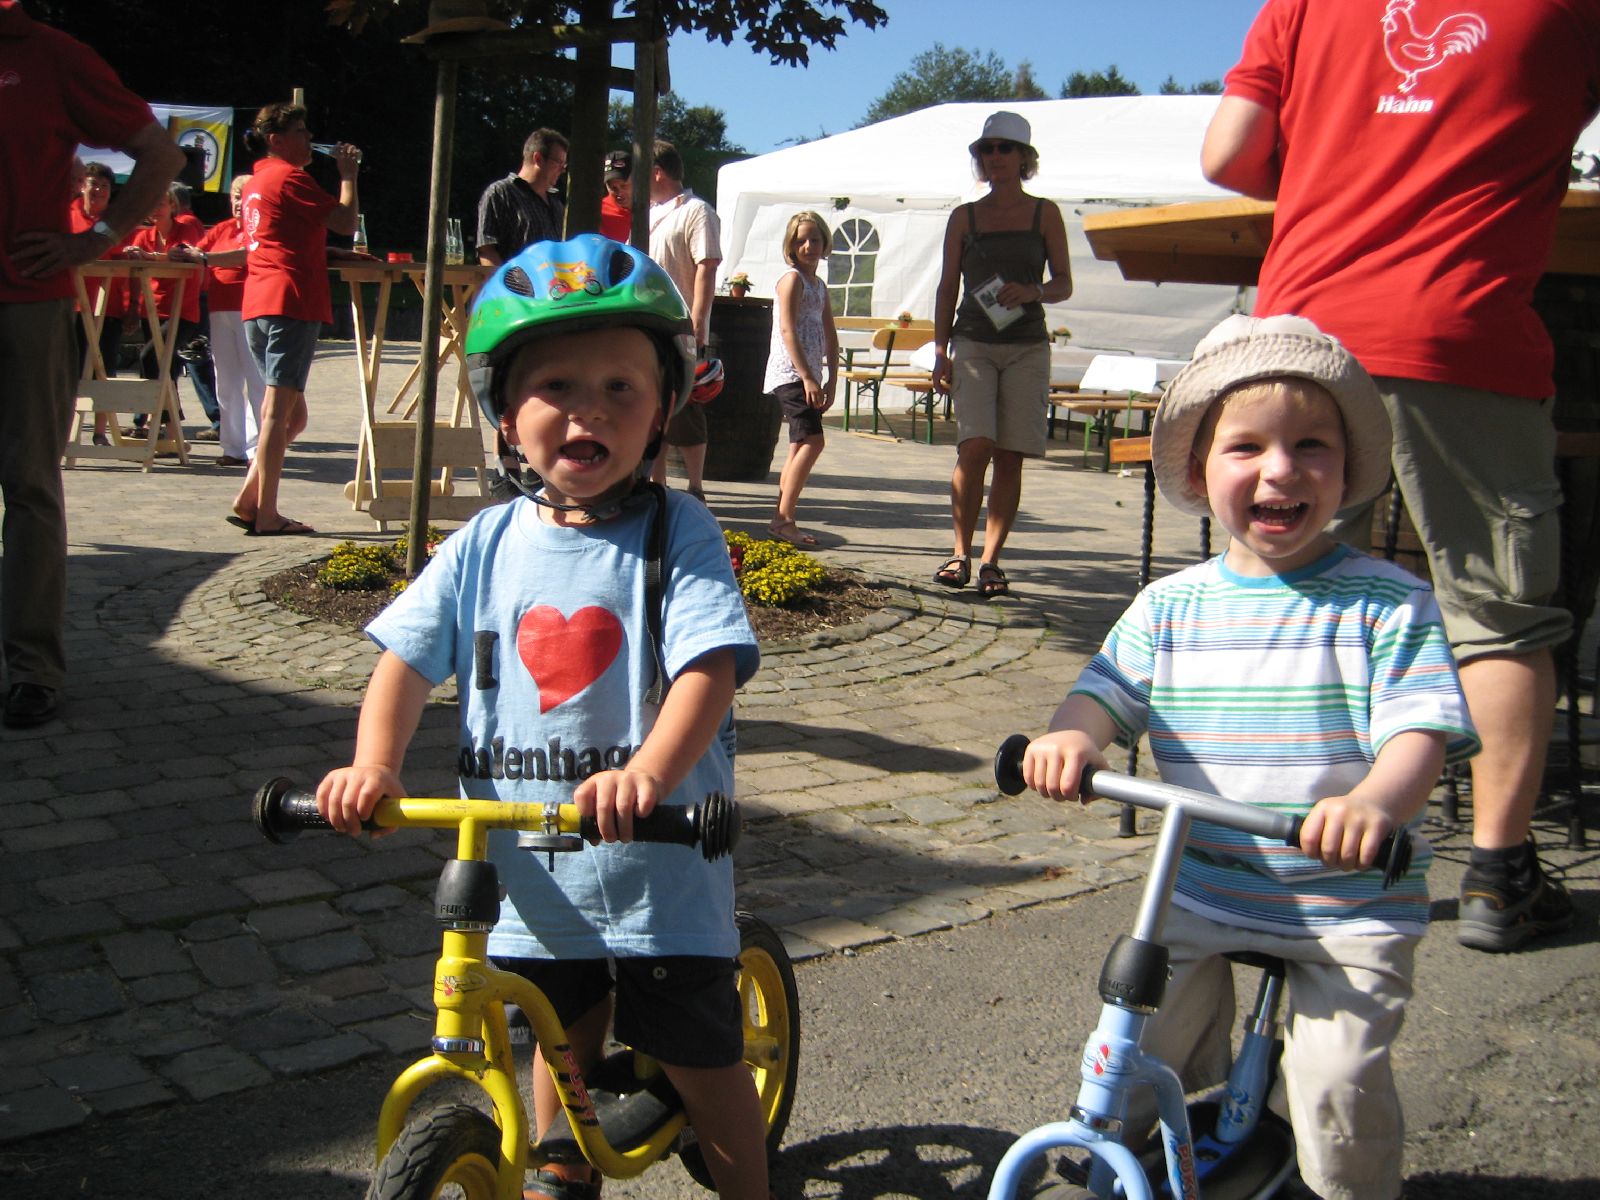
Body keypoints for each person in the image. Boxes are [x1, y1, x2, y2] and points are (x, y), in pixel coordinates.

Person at [315, 234, 769, 1200]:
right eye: (556, 386)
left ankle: (749, 1187)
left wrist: (648, 774)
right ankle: (559, 1163)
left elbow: (710, 668)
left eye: (619, 388)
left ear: (660, 413)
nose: (587, 410)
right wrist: (374, 763)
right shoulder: (483, 542)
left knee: (700, 1056)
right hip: (529, 867)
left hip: (657, 867)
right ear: (505, 414)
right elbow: (404, 661)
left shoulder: (678, 529)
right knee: (555, 1036)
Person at [1020, 314, 1478, 1200]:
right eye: (1247, 447)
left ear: (1346, 469)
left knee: (1338, 1090)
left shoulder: (1389, 603)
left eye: (1311, 446)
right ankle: (1120, 1161)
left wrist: (1376, 804)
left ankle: (1352, 1187)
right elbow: (1104, 691)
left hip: (1347, 903)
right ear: (1199, 473)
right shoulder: (1169, 607)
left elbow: (1420, 730)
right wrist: (1073, 736)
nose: (1280, 469)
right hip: (1201, 889)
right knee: (1131, 1044)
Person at [1201, 0, 1600, 952]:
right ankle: (1499, 873)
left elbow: (1229, 155)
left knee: (1287, 595)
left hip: (1304, 328)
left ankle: (1276, 853)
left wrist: (1350, 158)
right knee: (1496, 616)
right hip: (1460, 328)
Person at [1, 0, 184, 728]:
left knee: (28, 484)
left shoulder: (45, 52)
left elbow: (161, 155)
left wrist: (96, 238)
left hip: (23, 301)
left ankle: (32, 670)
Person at [930, 111, 1071, 599]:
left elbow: (1064, 283)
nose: (994, 157)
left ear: (1024, 158)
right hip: (973, 341)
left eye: (1004, 148)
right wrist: (940, 350)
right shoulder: (964, 217)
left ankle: (991, 560)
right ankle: (959, 552)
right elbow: (947, 286)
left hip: (1027, 345)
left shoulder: (1044, 213)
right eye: (986, 149)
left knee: (1010, 454)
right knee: (975, 446)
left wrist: (1034, 291)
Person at [234, 101, 361, 537]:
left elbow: (280, 235)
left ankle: (249, 496)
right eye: (301, 131)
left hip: (259, 301)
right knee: (277, 414)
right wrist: (348, 175)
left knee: (294, 417)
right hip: (290, 301)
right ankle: (267, 513)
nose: (309, 139)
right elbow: (345, 221)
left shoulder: (256, 182)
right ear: (277, 139)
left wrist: (324, 252)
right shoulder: (290, 177)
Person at [171, 174, 264, 468]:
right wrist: (180, 252)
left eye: (244, 197)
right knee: (226, 380)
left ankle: (260, 449)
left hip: (249, 308)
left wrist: (205, 258)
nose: (238, 202)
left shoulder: (260, 229)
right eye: (235, 196)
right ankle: (233, 447)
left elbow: (242, 256)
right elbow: (197, 250)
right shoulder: (222, 229)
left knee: (256, 380)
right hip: (219, 308)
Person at [648, 139, 720, 501]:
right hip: (648, 324)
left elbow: (707, 265)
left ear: (657, 172)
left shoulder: (696, 211)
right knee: (652, 405)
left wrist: (698, 320)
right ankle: (656, 484)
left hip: (680, 322)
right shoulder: (648, 213)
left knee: (687, 405)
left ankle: (695, 487)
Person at [761, 210, 838, 545]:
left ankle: (782, 516)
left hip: (811, 373)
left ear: (824, 243)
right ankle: (783, 519)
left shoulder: (819, 286)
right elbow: (787, 329)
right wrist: (806, 376)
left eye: (815, 239)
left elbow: (830, 333)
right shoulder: (791, 279)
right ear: (791, 245)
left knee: (798, 444)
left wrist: (832, 378)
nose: (808, 246)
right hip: (791, 371)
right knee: (813, 441)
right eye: (801, 240)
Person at [67, 160, 135, 444]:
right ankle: (65, 431)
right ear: (82, 185)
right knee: (68, 369)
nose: (98, 190)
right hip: (71, 307)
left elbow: (130, 267)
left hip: (109, 308)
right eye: (94, 184)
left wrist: (133, 307)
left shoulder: (117, 221)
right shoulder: (66, 214)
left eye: (105, 186)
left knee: (104, 370)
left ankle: (99, 432)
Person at [475, 128, 568, 267]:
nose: (563, 170)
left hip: (554, 280)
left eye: (564, 165)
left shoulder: (556, 203)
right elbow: (487, 251)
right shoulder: (501, 193)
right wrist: (505, 281)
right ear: (538, 159)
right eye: (558, 163)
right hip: (514, 280)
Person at [598, 148, 633, 243]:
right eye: (612, 188)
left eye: (624, 185)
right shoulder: (599, 212)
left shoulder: (654, 207)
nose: (619, 193)